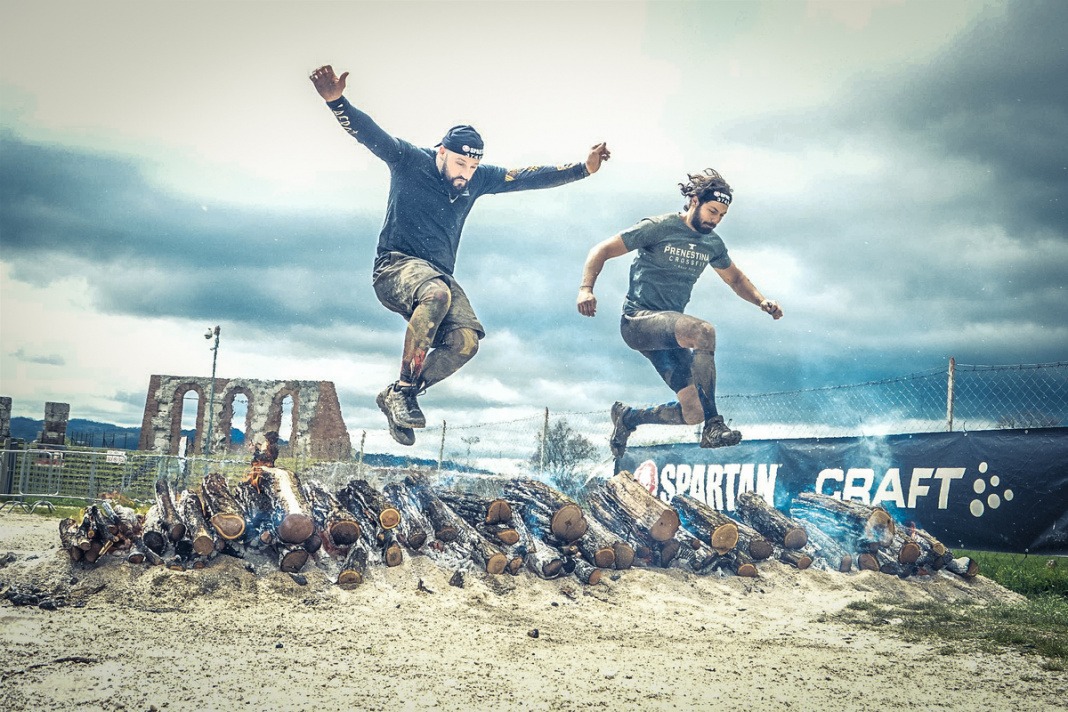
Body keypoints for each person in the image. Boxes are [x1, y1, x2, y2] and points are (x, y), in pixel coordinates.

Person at [310, 65, 610, 446]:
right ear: (442, 152)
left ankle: (398, 395)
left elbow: (527, 177)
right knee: (436, 293)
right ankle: (404, 390)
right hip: (394, 267)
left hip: (437, 275)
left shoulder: (478, 179)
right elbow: (370, 134)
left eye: (472, 167)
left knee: (466, 341)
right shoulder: (409, 160)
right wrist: (337, 102)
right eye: (459, 164)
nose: (465, 174)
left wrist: (583, 169)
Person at [576, 168, 783, 457]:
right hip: (638, 321)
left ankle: (628, 418)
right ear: (695, 201)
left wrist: (761, 301)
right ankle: (714, 425)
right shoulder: (659, 227)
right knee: (703, 331)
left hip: (670, 333)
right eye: (712, 211)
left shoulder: (712, 244)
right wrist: (586, 289)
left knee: (692, 411)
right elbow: (602, 249)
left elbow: (735, 279)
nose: (715, 220)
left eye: (722, 215)